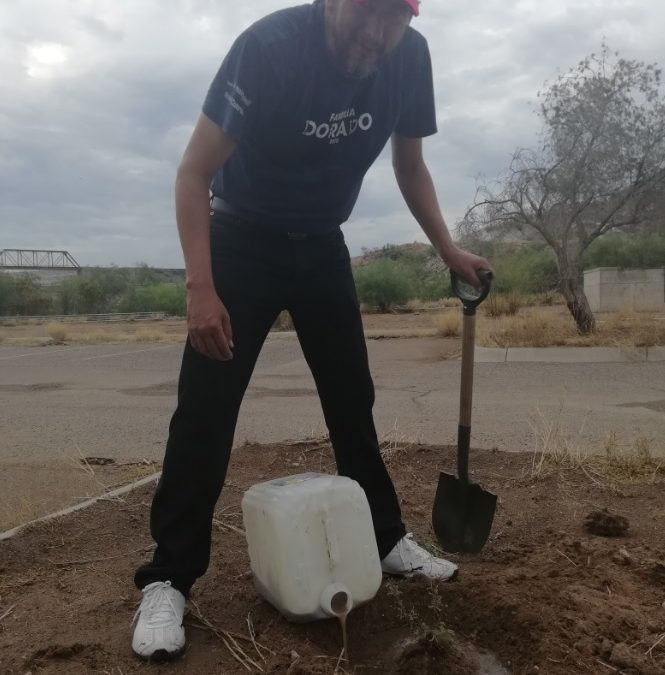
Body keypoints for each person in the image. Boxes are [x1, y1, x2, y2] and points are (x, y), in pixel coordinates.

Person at [131, 0, 493, 661]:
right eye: (367, 12)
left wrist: (448, 249)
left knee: (352, 401)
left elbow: (408, 165)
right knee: (206, 416)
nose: (378, 33)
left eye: (396, 17)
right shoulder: (268, 48)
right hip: (240, 238)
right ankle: (168, 578)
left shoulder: (408, 58)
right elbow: (193, 171)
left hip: (322, 241)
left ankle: (384, 541)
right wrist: (201, 288)